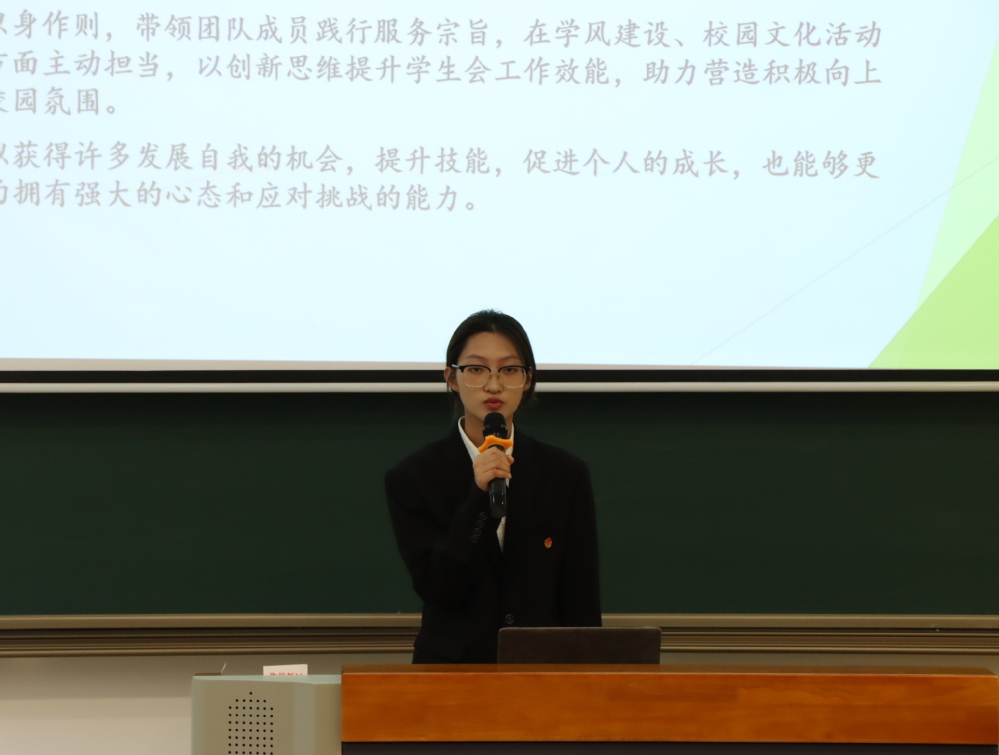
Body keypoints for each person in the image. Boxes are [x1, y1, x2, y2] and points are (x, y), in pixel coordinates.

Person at [385, 310, 601, 664]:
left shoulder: (565, 473)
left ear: (528, 380)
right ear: (451, 378)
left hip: (542, 669)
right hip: (452, 671)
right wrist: (479, 498)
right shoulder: (412, 476)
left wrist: (586, 678)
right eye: (476, 369)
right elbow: (438, 587)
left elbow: (581, 594)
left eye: (509, 369)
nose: (494, 384)